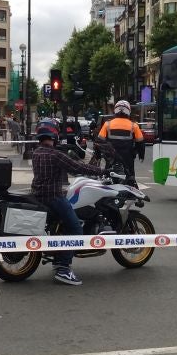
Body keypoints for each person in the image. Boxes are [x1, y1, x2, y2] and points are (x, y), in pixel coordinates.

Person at [30, 118, 104, 286]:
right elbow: (78, 167)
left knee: (66, 223)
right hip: (53, 197)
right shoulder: (54, 155)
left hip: (38, 194)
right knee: (76, 228)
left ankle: (59, 259)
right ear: (54, 134)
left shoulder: (36, 152)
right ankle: (63, 268)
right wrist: (102, 170)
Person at [97, 99, 145, 184]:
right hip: (128, 158)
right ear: (128, 111)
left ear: (115, 110)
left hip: (111, 157)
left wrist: (98, 156)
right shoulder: (134, 126)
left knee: (109, 177)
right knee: (130, 179)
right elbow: (140, 143)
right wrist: (141, 156)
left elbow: (99, 142)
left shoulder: (107, 124)